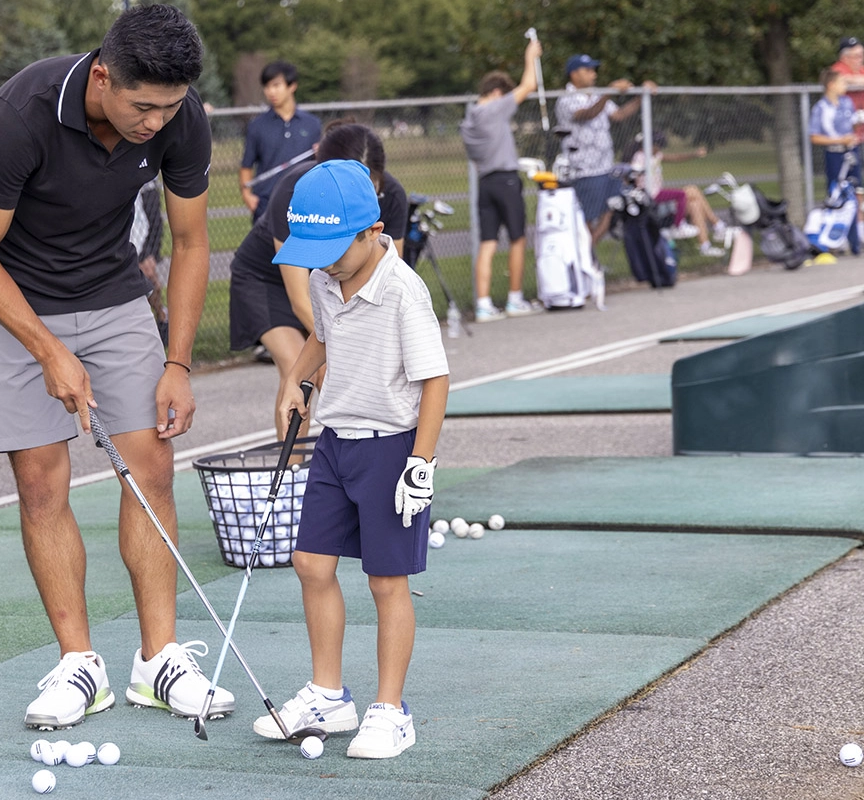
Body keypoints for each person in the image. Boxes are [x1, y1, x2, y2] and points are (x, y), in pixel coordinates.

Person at [0, 5, 232, 730]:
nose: (155, 122)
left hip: (113, 295)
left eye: (169, 108)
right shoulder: (23, 111)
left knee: (152, 470)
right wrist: (48, 351)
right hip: (9, 301)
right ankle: (80, 666)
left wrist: (178, 361)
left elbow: (193, 241)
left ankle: (159, 661)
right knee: (42, 483)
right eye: (143, 106)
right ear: (103, 76)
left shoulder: (180, 116)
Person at [257, 159, 449, 760]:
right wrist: (295, 380)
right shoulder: (323, 277)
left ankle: (391, 710)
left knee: (386, 581)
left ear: (373, 230)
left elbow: (436, 380)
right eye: (315, 250)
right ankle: (327, 694)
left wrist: (422, 464)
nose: (325, 262)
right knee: (311, 563)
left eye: (335, 247)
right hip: (336, 444)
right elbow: (324, 337)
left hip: (392, 448)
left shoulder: (403, 292)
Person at [229, 121, 408, 441]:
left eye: (368, 186)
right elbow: (300, 297)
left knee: (346, 372)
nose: (356, 194)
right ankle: (292, 479)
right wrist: (341, 348)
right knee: (302, 368)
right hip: (267, 282)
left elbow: (390, 279)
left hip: (329, 278)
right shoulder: (294, 191)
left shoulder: (392, 196)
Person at [460, 38, 545, 322]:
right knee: (518, 238)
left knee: (487, 243)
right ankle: (514, 298)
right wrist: (530, 55)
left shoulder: (468, 120)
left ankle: (483, 304)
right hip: (506, 180)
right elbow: (528, 86)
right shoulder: (493, 109)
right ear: (496, 93)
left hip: (485, 183)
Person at [555, 54, 657, 249]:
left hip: (606, 167)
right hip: (585, 170)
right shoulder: (567, 99)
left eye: (594, 70)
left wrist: (640, 96)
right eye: (588, 70)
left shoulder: (596, 94)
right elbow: (586, 114)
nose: (593, 75)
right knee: (586, 219)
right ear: (574, 74)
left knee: (612, 210)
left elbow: (618, 114)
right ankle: (585, 257)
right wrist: (608, 93)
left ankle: (587, 255)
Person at [239, 61, 322, 222]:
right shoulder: (257, 126)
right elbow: (246, 166)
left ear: (292, 86)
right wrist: (247, 196)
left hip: (303, 205)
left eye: (276, 85)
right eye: (267, 86)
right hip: (266, 205)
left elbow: (320, 165)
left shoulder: (313, 124)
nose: (271, 92)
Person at [624, 132, 728, 256]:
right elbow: (629, 174)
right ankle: (715, 225)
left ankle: (706, 246)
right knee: (689, 192)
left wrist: (694, 154)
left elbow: (676, 157)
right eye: (658, 146)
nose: (660, 150)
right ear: (650, 145)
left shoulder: (655, 155)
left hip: (659, 196)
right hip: (652, 203)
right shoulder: (640, 157)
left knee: (695, 203)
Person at [810, 67, 862, 255]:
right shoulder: (821, 108)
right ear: (831, 85)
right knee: (837, 196)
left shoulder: (847, 102)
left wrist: (856, 126)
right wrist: (841, 140)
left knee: (857, 193)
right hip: (835, 154)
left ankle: (856, 242)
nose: (845, 86)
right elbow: (815, 136)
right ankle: (834, 241)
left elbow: (853, 122)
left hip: (852, 152)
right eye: (842, 82)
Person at [131, 177, 169, 346]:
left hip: (143, 222)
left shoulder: (148, 183)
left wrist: (151, 249)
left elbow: (154, 219)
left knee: (149, 275)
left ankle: (162, 318)